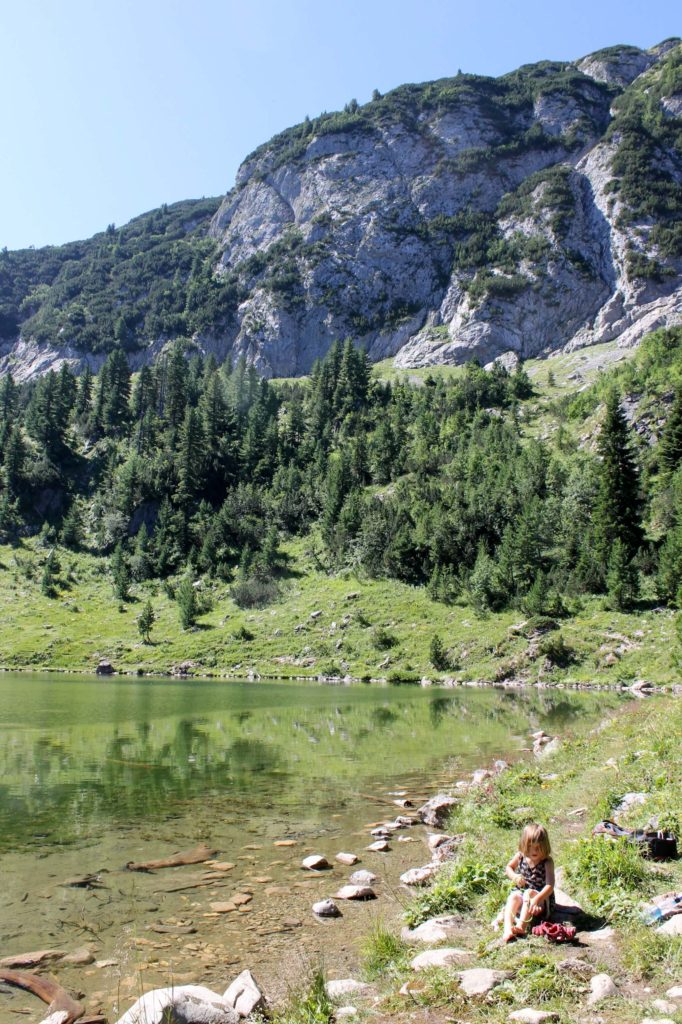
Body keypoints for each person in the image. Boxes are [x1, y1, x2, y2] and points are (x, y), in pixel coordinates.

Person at [502, 823, 555, 942]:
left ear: (545, 846)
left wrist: (537, 900)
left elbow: (550, 886)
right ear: (524, 845)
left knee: (529, 893)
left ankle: (521, 926)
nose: (534, 851)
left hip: (541, 900)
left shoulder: (547, 862)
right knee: (513, 896)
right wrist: (515, 877)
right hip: (523, 897)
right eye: (530, 846)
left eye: (538, 847)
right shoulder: (520, 856)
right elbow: (509, 868)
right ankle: (507, 929)